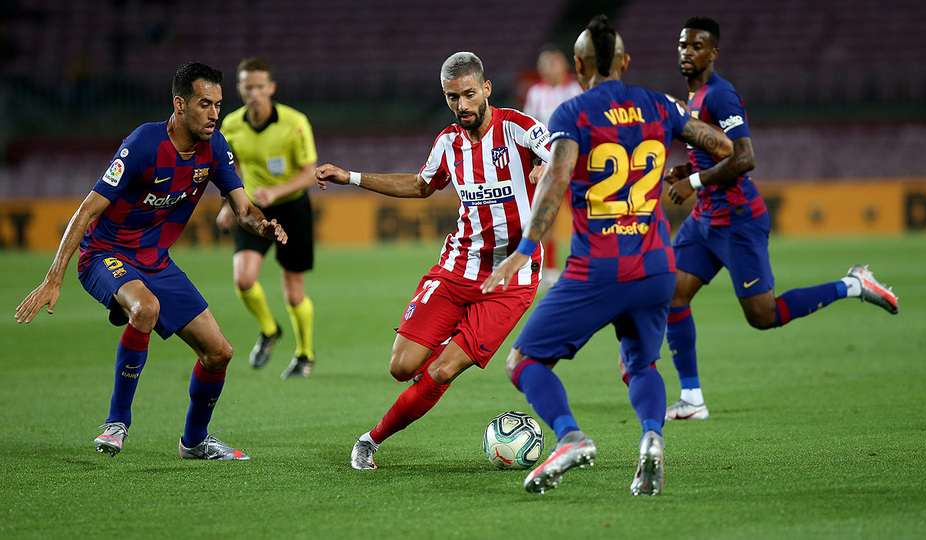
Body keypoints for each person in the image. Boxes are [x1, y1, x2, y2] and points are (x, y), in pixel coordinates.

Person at [483, 15, 732, 495]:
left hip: (597, 267)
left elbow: (556, 179)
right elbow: (723, 146)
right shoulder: (660, 105)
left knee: (523, 361)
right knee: (640, 365)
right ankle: (652, 438)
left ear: (578, 66)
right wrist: (687, 173)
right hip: (656, 264)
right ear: (625, 61)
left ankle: (570, 436)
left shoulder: (572, 112)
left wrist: (525, 249)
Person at [14, 62, 287, 460]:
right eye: (205, 104)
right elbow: (87, 210)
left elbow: (243, 209)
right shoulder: (144, 143)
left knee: (220, 353)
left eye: (218, 104)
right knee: (146, 308)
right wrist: (53, 278)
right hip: (104, 253)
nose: (214, 114)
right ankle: (116, 422)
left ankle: (194, 442)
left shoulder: (215, 148)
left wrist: (263, 226)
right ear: (180, 104)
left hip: (155, 261)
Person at [316, 51, 552, 470]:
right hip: (457, 267)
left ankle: (370, 441)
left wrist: (545, 169)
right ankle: (450, 341)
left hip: (510, 279)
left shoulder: (518, 127)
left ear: (486, 89)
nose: (462, 105)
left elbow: (566, 153)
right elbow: (420, 185)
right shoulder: (447, 142)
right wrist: (351, 177)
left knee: (442, 371)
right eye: (452, 97)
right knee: (401, 366)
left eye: (469, 94)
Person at [659, 16, 899, 421]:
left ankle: (853, 284)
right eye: (683, 45)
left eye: (697, 46)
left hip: (737, 219)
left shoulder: (720, 95)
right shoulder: (695, 97)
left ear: (713, 53)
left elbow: (745, 157)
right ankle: (692, 398)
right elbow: (716, 152)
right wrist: (689, 169)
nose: (687, 52)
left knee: (763, 317)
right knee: (674, 294)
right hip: (705, 218)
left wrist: (694, 181)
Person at [216, 57, 318, 380]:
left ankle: (305, 354)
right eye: (249, 87)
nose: (255, 93)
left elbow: (309, 173)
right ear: (239, 89)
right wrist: (229, 204)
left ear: (271, 87)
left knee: (293, 292)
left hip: (292, 207)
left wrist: (275, 192)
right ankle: (269, 329)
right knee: (244, 279)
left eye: (260, 86)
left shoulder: (295, 122)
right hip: (253, 209)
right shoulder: (231, 125)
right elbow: (230, 166)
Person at [523, 45, 582, 290]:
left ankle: (585, 265)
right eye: (545, 63)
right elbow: (528, 127)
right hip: (547, 164)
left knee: (583, 214)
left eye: (553, 62)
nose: (549, 68)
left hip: (574, 162)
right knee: (547, 216)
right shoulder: (535, 92)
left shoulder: (575, 89)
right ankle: (548, 270)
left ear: (564, 65)